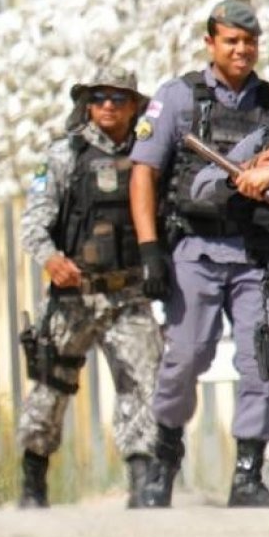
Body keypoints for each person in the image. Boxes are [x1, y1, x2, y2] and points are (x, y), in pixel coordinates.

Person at [129, 0, 269, 508]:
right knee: (186, 357)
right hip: (196, 249)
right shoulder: (178, 98)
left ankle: (248, 473)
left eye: (250, 41)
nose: (242, 50)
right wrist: (150, 249)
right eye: (231, 40)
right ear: (210, 42)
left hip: (258, 254)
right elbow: (144, 173)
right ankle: (165, 454)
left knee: (262, 362)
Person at [18, 67, 162, 508]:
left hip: (128, 295)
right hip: (74, 296)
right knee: (51, 385)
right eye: (99, 98)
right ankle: (32, 479)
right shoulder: (65, 155)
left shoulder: (149, 154)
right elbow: (34, 223)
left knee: (144, 386)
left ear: (134, 105)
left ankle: (142, 482)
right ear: (86, 103)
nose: (108, 106)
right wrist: (51, 260)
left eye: (119, 98)